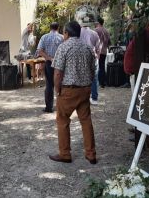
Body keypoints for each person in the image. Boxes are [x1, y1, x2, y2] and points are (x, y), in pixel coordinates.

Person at [49, 21, 97, 164]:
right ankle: (91, 154)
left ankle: (65, 154)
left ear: (67, 33)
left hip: (68, 90)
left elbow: (58, 74)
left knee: (63, 120)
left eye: (64, 32)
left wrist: (57, 90)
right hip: (85, 89)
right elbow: (93, 71)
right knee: (86, 121)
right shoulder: (88, 48)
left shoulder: (63, 47)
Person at [37, 22, 63, 113]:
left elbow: (39, 51)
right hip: (60, 63)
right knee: (61, 84)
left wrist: (49, 58)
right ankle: (62, 106)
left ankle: (49, 107)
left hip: (49, 63)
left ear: (50, 28)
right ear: (58, 28)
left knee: (49, 85)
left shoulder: (44, 37)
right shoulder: (62, 37)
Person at [78, 16, 101, 105]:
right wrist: (97, 56)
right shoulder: (94, 33)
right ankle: (94, 98)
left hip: (81, 57)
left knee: (81, 77)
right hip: (92, 57)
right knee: (94, 78)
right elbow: (98, 47)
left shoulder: (78, 32)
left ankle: (83, 98)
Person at [95, 17, 111, 88]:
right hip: (104, 50)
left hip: (97, 51)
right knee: (102, 66)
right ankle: (103, 83)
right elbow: (109, 42)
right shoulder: (106, 31)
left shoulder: (96, 30)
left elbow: (94, 40)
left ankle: (98, 82)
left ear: (98, 22)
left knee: (96, 66)